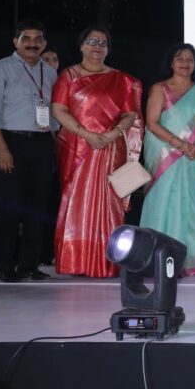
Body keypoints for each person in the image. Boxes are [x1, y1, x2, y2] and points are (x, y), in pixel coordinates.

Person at [50, 25, 143, 278]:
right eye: (91, 42)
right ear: (81, 46)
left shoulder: (122, 80)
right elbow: (58, 110)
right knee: (76, 201)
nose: (96, 47)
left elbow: (130, 114)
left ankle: (107, 260)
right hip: (78, 147)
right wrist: (87, 135)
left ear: (108, 49)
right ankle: (74, 261)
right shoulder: (68, 76)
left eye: (102, 43)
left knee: (110, 202)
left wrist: (113, 133)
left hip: (112, 148)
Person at [0, 19, 59, 282]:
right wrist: (1, 148)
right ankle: (4, 266)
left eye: (38, 38)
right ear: (16, 42)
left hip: (42, 143)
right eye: (27, 38)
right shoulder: (0, 69)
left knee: (38, 206)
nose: (32, 43)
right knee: (10, 206)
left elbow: (54, 113)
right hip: (10, 142)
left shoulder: (50, 72)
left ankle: (29, 265)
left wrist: (54, 148)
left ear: (44, 43)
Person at [140, 44, 195, 276]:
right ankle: (157, 258)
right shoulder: (160, 89)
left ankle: (192, 260)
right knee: (162, 202)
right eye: (180, 58)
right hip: (165, 154)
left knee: (190, 204)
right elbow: (152, 123)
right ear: (171, 62)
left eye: (190, 59)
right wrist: (181, 144)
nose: (185, 63)